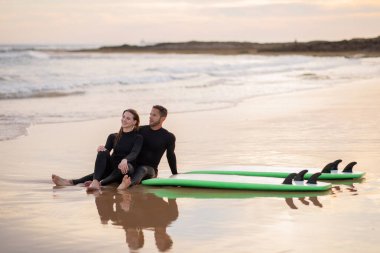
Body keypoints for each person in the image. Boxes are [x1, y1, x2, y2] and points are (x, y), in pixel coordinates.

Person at [52, 109, 143, 191]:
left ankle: (99, 183)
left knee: (124, 167)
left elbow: (134, 153)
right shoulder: (113, 137)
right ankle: (89, 182)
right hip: (111, 169)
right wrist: (102, 150)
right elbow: (104, 155)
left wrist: (125, 160)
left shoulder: (138, 138)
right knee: (102, 152)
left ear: (134, 122)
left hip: (126, 170)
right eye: (123, 117)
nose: (124, 120)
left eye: (128, 118)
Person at [117, 105, 177, 190]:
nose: (150, 117)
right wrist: (105, 147)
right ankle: (94, 180)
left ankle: (127, 185)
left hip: (150, 170)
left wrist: (175, 174)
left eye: (154, 115)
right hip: (134, 167)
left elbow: (170, 156)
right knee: (123, 166)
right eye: (150, 114)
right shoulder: (140, 130)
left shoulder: (168, 137)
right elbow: (123, 136)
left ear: (163, 118)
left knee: (142, 169)